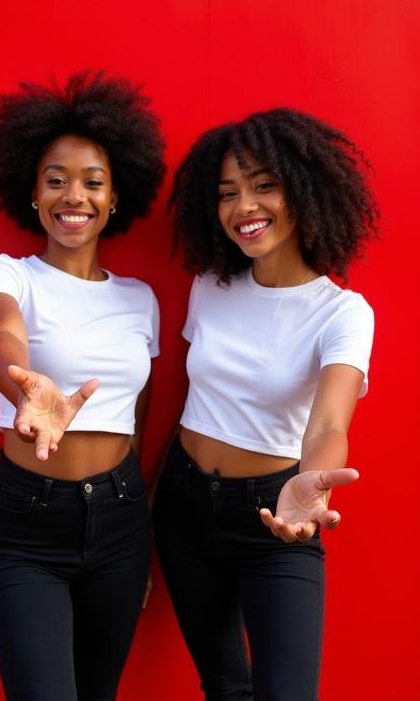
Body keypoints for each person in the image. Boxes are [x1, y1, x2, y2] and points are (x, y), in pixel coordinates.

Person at [153, 108, 378, 701]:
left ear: (304, 190)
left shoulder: (342, 312)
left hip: (277, 513)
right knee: (225, 686)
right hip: (181, 507)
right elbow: (189, 400)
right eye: (228, 193)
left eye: (263, 186)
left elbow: (330, 421)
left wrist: (311, 483)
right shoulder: (210, 286)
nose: (243, 207)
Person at [0, 71, 165, 701]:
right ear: (31, 191)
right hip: (29, 520)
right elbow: (3, 337)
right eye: (55, 180)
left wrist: (143, 515)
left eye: (91, 183)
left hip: (122, 520)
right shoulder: (8, 274)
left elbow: (140, 408)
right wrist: (27, 387)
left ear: (113, 200)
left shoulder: (141, 300)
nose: (72, 196)